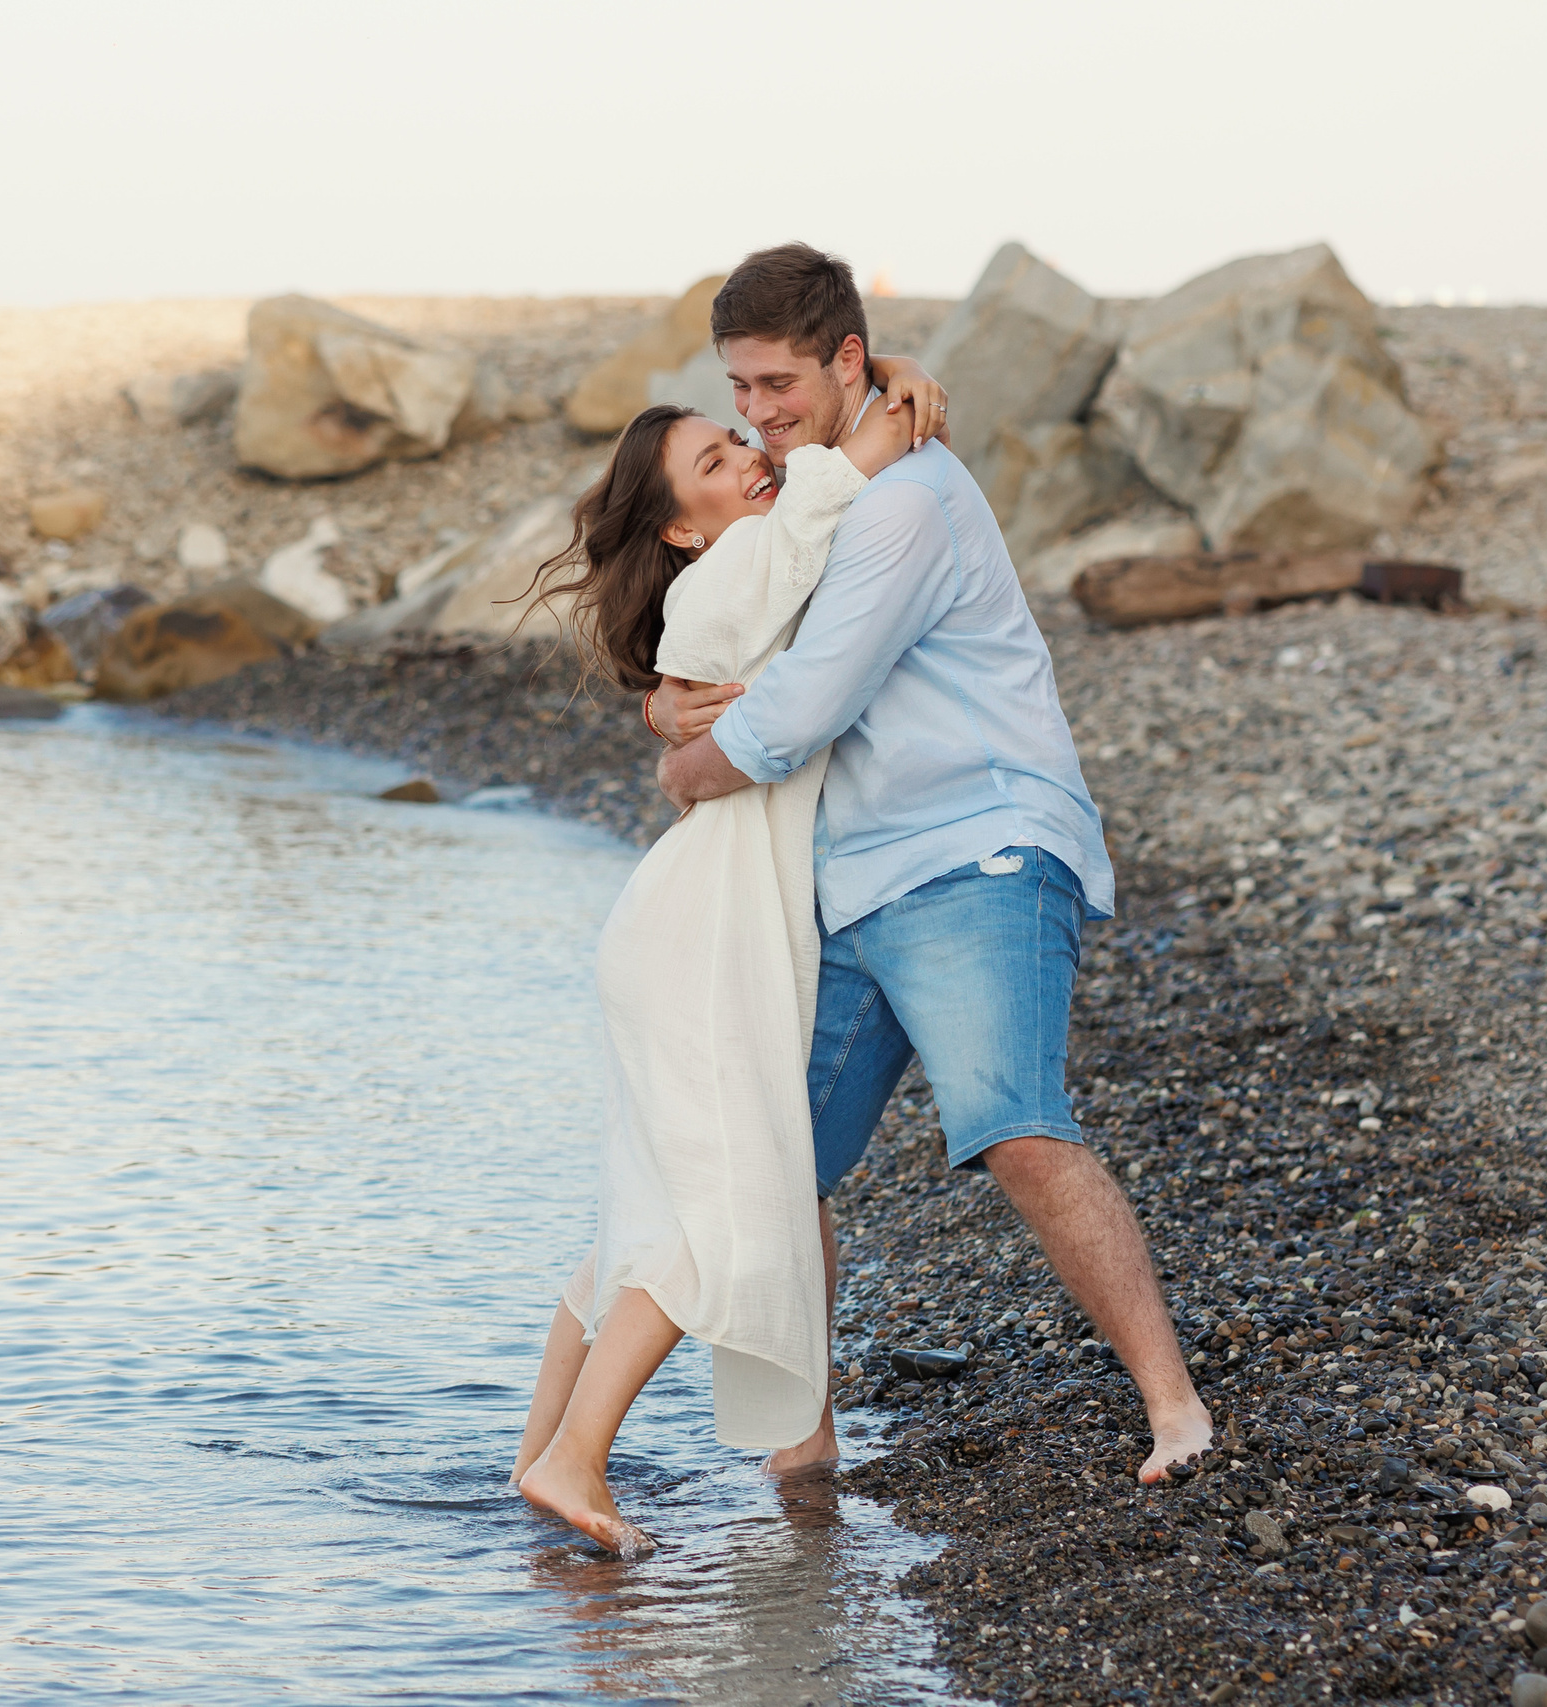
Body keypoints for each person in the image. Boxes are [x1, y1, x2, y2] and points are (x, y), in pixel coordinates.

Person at [649, 242, 1214, 1488]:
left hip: (979, 849)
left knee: (1010, 1123)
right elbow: (735, 630)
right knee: (771, 1155)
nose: (757, 412)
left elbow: (798, 708)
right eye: (737, 389)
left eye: (778, 384)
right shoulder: (828, 482)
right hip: (854, 880)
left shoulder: (905, 501)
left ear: (847, 361)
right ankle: (802, 1446)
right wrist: (666, 709)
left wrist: (685, 772)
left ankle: (1175, 1409)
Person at [507, 356, 951, 1559]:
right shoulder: (739, 573)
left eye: (738, 439)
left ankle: (539, 1451)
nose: (750, 458)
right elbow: (835, 483)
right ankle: (572, 1461)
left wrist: (876, 377)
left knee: (641, 1214)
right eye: (716, 462)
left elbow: (814, 508)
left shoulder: (730, 589)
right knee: (713, 1213)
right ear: (679, 527)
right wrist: (888, 395)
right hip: (700, 940)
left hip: (687, 925)